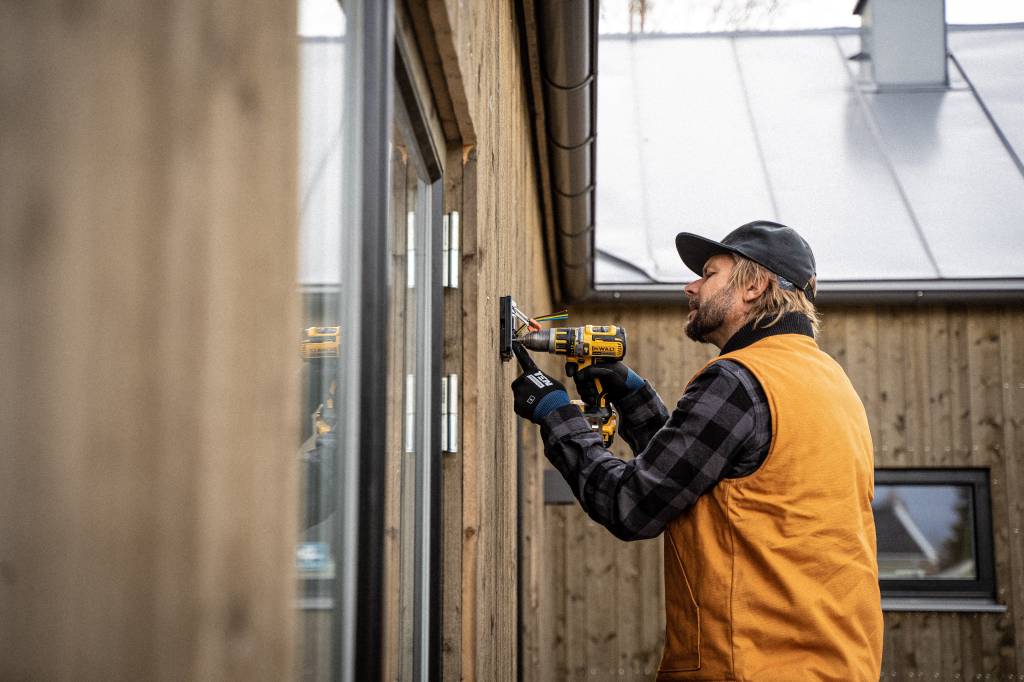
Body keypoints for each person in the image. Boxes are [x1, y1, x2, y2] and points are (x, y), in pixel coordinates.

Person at [511, 220, 883, 681]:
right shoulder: (830, 384)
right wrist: (631, 394)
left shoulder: (737, 378)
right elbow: (699, 482)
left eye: (709, 274)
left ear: (755, 288)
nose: (691, 287)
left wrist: (555, 414)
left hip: (746, 667)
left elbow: (633, 504)